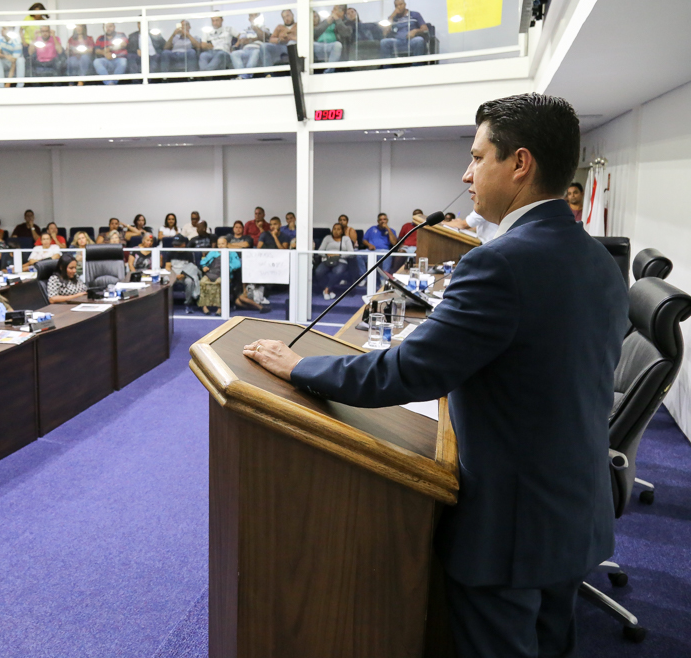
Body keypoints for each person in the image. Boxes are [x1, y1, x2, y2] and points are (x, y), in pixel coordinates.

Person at [244, 93, 628, 658]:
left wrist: (301, 367)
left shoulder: (501, 261)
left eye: (477, 157)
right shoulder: (597, 256)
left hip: (511, 524)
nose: (466, 173)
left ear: (519, 164)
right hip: (573, 507)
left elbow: (411, 369)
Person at [314, 222, 354, 300]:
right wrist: (327, 254)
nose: (336, 231)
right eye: (334, 229)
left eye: (338, 229)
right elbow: (320, 251)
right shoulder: (327, 238)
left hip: (341, 261)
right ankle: (329, 290)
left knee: (337, 271)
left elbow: (351, 253)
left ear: (342, 231)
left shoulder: (346, 239)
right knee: (318, 272)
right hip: (327, 260)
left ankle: (326, 290)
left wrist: (338, 255)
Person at [169, 235, 201, 313]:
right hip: (172, 275)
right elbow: (167, 267)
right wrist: (173, 276)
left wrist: (183, 275)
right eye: (174, 245)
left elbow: (192, 267)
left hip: (185, 275)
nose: (176, 246)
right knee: (165, 282)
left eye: (178, 245)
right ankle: (166, 305)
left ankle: (188, 304)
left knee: (189, 282)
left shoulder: (189, 253)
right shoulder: (170, 252)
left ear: (183, 244)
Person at [231, 13, 270, 78]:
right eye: (252, 16)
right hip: (246, 50)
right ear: (249, 19)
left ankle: (246, 76)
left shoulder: (264, 28)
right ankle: (242, 75)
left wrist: (256, 29)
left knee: (255, 53)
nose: (254, 17)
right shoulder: (245, 30)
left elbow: (263, 37)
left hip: (258, 49)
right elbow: (242, 41)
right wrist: (256, 39)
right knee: (234, 54)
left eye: (256, 16)